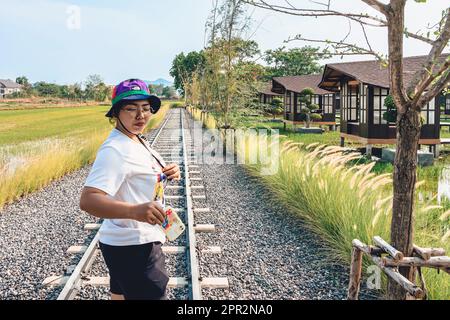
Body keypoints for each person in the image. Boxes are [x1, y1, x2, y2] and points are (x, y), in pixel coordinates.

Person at [79, 79, 181, 300]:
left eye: (145, 108)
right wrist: (136, 211)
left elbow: (135, 174)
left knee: (120, 295)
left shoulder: (134, 139)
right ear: (116, 113)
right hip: (135, 247)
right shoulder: (115, 149)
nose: (140, 116)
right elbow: (88, 200)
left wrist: (165, 172)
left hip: (124, 243)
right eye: (131, 109)